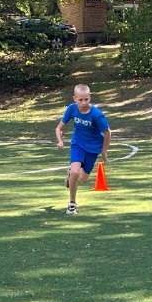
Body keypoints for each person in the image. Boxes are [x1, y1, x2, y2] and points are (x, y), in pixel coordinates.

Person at [55, 84, 111, 215]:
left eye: (86, 99)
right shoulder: (71, 109)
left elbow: (107, 132)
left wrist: (104, 151)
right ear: (74, 98)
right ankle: (72, 203)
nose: (84, 103)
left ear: (90, 97)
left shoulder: (97, 114)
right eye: (80, 100)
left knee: (83, 179)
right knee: (75, 172)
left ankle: (71, 174)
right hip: (78, 144)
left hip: (93, 148)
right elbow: (59, 128)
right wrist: (60, 141)